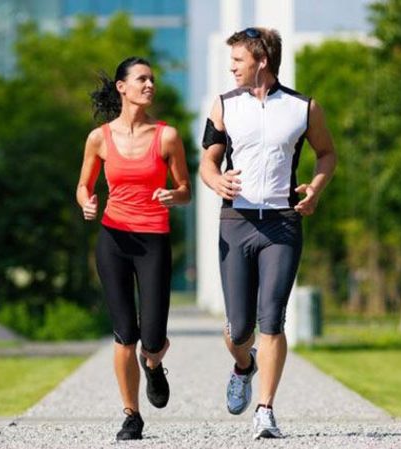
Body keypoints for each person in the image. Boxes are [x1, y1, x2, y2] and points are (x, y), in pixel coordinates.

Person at [199, 27, 336, 439]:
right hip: (236, 223)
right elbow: (208, 161)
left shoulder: (303, 107)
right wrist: (215, 181)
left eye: (238, 60)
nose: (232, 67)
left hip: (282, 223)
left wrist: (314, 188)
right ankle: (244, 364)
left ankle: (266, 410)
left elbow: (327, 153)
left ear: (261, 59)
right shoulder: (223, 105)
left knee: (272, 318)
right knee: (239, 329)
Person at [76, 56, 191, 441]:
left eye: (152, 80)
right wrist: (87, 201)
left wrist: (174, 195)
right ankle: (131, 415)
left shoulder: (167, 136)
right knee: (125, 332)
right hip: (113, 239)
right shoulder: (99, 138)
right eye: (142, 79)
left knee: (152, 338)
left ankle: (154, 364)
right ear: (122, 87)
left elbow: (186, 190)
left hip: (153, 241)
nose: (150, 85)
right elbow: (84, 185)